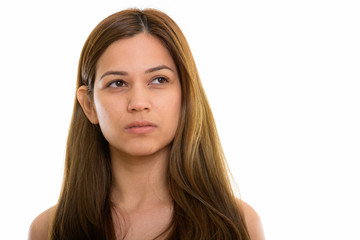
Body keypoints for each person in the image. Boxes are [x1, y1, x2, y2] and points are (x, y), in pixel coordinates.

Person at [28, 8, 265, 240]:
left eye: (159, 80)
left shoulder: (239, 224)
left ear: (186, 94)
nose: (139, 103)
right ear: (89, 105)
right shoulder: (47, 230)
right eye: (117, 83)